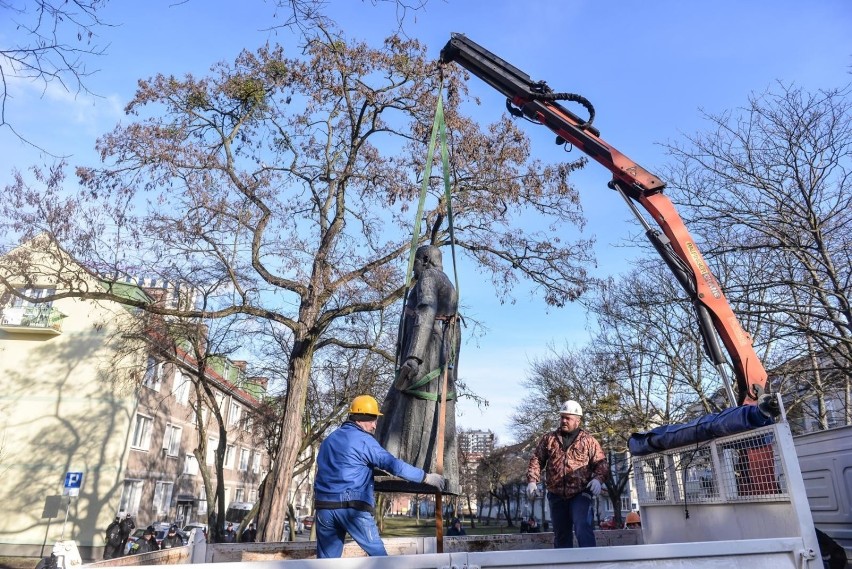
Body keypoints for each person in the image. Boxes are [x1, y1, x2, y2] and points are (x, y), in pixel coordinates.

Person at [314, 394, 445, 558]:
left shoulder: (328, 440)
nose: (375, 426)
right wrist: (426, 477)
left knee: (326, 564)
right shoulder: (364, 441)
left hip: (324, 508)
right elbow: (394, 465)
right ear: (362, 419)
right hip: (352, 508)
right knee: (380, 560)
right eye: (374, 420)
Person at [375, 245, 461, 495]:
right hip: (439, 358)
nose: (413, 267)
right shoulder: (447, 284)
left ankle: (391, 466)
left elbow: (425, 312)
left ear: (424, 260)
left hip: (427, 354)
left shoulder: (429, 278)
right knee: (422, 405)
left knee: (396, 402)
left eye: (415, 262)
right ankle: (423, 467)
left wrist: (413, 357)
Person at [527, 400, 609, 549]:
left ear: (577, 420)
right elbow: (537, 459)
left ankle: (590, 561)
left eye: (568, 418)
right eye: (562, 417)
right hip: (556, 494)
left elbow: (602, 463)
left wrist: (598, 479)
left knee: (582, 525)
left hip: (580, 493)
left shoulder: (588, 441)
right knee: (561, 534)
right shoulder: (549, 439)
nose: (563, 421)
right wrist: (532, 480)